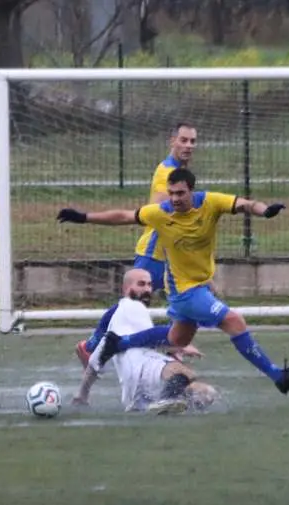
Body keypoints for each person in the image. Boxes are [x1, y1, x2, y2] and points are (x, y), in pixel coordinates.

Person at [58, 167, 289, 395]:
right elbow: (123, 216)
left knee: (178, 339)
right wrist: (82, 217)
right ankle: (278, 377)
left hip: (195, 287)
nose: (175, 199)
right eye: (171, 193)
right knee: (234, 321)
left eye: (180, 193)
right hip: (185, 291)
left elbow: (244, 204)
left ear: (192, 190)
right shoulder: (160, 213)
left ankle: (118, 343)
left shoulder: (210, 203)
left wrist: (265, 211)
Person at [74, 123, 198, 367]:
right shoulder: (166, 172)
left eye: (193, 141)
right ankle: (90, 346)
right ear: (172, 140)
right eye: (183, 140)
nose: (188, 146)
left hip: (171, 253)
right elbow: (162, 210)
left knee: (183, 298)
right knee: (130, 304)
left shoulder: (178, 170)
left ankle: (173, 346)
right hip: (155, 251)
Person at [72, 267, 218, 415]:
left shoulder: (120, 321)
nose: (147, 289)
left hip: (132, 391)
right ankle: (169, 399)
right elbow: (150, 335)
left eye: (149, 285)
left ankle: (170, 401)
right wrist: (178, 341)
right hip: (141, 367)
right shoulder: (132, 306)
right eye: (141, 284)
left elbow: (95, 361)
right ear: (126, 288)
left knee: (204, 392)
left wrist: (82, 395)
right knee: (183, 374)